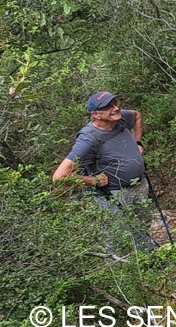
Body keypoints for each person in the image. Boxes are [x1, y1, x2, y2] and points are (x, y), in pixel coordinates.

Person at [52, 91, 158, 251]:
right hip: (113, 194)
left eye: (115, 103)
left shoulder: (121, 118)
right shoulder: (88, 139)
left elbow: (136, 116)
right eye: (108, 106)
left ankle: (149, 257)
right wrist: (93, 180)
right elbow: (59, 177)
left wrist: (138, 142)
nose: (116, 108)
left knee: (142, 225)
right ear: (96, 115)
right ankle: (123, 264)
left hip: (139, 185)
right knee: (118, 237)